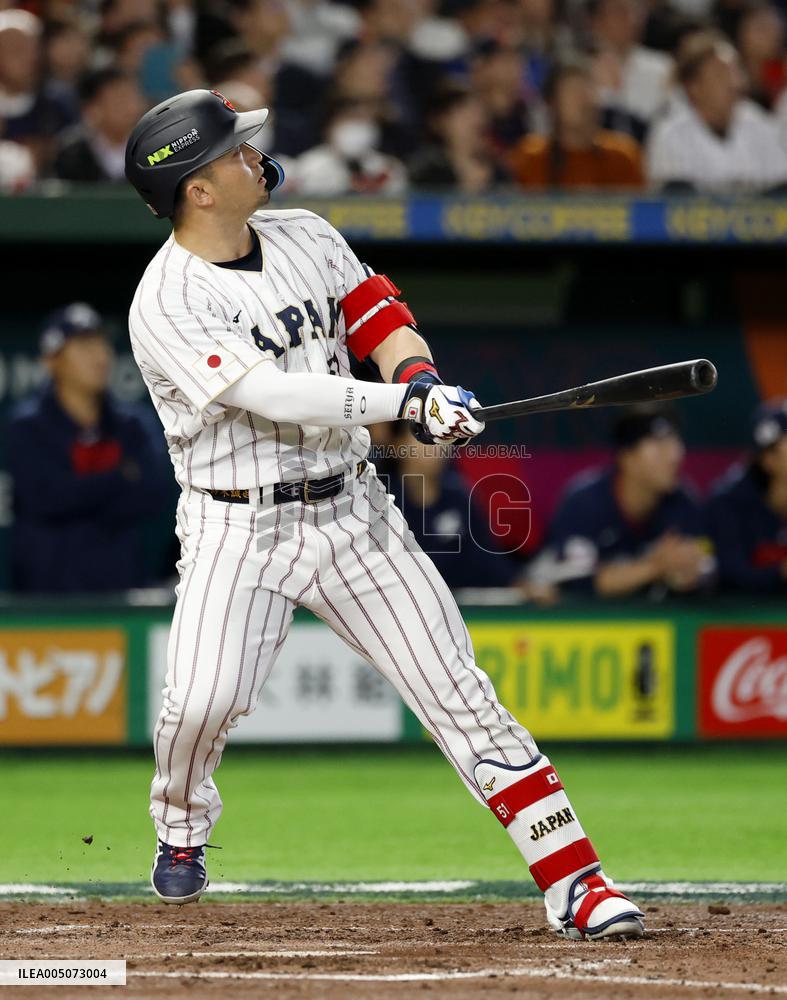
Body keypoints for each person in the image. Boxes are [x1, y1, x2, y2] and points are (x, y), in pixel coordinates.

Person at [123, 87, 644, 940]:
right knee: (199, 704)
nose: (255, 154)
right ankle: (180, 825)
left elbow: (381, 318)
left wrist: (421, 384)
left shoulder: (307, 235)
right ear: (197, 189)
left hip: (351, 511)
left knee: (458, 692)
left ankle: (574, 878)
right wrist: (398, 409)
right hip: (234, 526)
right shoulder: (166, 300)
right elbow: (272, 394)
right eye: (233, 150)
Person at [6, 303, 172, 593]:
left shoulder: (131, 424)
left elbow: (153, 494)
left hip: (122, 591)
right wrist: (119, 477)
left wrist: (78, 489)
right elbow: (44, 499)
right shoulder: (27, 427)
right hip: (44, 600)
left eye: (101, 342)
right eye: (83, 345)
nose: (99, 355)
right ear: (52, 360)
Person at [545, 405, 710, 598]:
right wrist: (656, 566)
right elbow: (576, 583)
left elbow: (707, 569)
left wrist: (687, 573)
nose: (675, 455)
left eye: (675, 443)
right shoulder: (584, 503)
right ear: (627, 458)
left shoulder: (682, 501)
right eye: (659, 446)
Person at [646, 31, 787, 193]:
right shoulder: (670, 133)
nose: (733, 82)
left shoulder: (759, 124)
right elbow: (672, 203)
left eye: (735, 72)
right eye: (720, 75)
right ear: (693, 87)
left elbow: (781, 193)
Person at [510, 59, 644, 189]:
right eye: (572, 91)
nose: (583, 100)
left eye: (587, 89)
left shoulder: (622, 156)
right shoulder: (531, 158)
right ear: (552, 104)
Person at [706, 400, 787, 594]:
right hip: (738, 619)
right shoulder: (730, 504)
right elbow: (732, 575)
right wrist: (782, 573)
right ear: (769, 460)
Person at [52, 67, 146, 183]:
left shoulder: (154, 150)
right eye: (119, 100)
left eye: (133, 97)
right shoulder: (71, 157)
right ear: (92, 109)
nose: (130, 107)